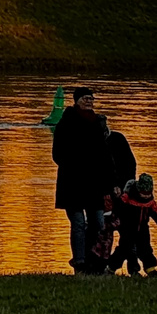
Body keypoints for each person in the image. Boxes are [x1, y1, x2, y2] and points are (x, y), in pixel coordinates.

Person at [52, 86, 113, 274]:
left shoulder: (97, 124)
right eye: (85, 98)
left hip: (94, 185)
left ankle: (92, 259)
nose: (89, 101)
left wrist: (110, 182)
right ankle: (79, 262)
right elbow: (57, 154)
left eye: (91, 99)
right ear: (76, 100)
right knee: (78, 222)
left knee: (97, 223)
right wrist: (74, 167)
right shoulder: (66, 123)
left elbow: (105, 156)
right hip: (72, 185)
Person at [108, 173, 157, 277]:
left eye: (148, 194)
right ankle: (111, 268)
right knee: (123, 249)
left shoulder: (149, 201)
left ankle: (150, 268)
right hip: (128, 229)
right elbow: (118, 209)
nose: (146, 196)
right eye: (143, 194)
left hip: (143, 229)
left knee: (146, 249)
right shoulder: (128, 197)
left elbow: (155, 210)